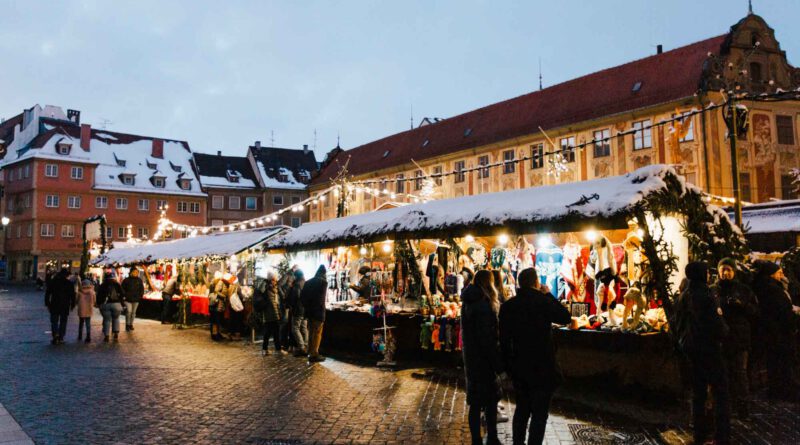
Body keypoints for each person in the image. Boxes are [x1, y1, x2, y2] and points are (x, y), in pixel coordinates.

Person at [499, 268, 571, 445]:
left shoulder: (508, 306)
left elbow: (504, 340)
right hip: (543, 367)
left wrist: (508, 367)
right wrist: (548, 295)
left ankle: (518, 443)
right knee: (539, 414)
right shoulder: (542, 301)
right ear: (535, 282)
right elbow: (565, 317)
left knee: (522, 410)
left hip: (519, 366)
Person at [681, 261, 730, 445]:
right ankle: (721, 435)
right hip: (710, 350)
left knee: (698, 393)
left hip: (692, 351)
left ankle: (699, 434)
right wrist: (725, 331)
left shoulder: (685, 295)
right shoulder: (707, 295)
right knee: (721, 393)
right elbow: (717, 325)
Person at [461, 269, 503, 445]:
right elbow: (487, 338)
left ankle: (476, 440)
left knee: (476, 402)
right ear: (489, 283)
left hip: (471, 357)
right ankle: (492, 437)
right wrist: (497, 363)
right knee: (490, 401)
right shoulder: (483, 305)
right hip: (484, 360)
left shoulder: (468, 301)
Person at [711, 258, 758, 417]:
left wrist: (741, 305)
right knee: (722, 374)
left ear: (734, 272)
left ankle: (743, 408)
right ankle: (724, 407)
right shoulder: (713, 290)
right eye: (723, 269)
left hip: (739, 338)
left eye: (729, 270)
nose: (725, 273)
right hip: (720, 339)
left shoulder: (743, 290)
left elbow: (755, 312)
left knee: (740, 373)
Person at [752, 260, 799, 402]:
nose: (782, 275)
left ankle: (777, 391)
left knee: (775, 363)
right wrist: (793, 319)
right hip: (779, 333)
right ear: (771, 274)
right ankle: (783, 391)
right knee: (783, 363)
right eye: (779, 273)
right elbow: (782, 311)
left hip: (771, 332)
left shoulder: (764, 287)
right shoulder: (772, 289)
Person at [301, 265, 328, 363]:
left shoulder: (308, 282)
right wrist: (319, 308)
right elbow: (321, 299)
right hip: (318, 312)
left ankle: (310, 351)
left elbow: (302, 297)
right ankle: (314, 354)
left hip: (309, 312)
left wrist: (308, 307)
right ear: (324, 273)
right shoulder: (323, 282)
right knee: (317, 333)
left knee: (311, 331)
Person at [44, 268, 76, 345]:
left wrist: (47, 303)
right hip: (65, 305)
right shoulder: (69, 283)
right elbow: (73, 295)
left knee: (54, 321)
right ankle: (61, 337)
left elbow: (48, 293)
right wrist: (72, 305)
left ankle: (55, 335)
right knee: (63, 321)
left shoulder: (54, 282)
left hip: (54, 304)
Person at [260, 270, 285, 355]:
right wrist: (277, 315)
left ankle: (265, 349)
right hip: (272, 315)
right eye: (274, 280)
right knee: (275, 332)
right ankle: (277, 350)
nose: (276, 281)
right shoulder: (269, 289)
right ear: (271, 280)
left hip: (269, 315)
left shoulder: (270, 288)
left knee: (269, 332)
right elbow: (272, 304)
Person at [96, 271, 125, 342]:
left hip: (105, 304)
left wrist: (98, 304)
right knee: (116, 318)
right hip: (116, 304)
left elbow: (98, 295)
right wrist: (122, 303)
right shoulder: (117, 284)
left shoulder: (102, 285)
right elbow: (123, 294)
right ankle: (116, 333)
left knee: (107, 320)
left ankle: (106, 336)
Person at [288, 269, 309, 356]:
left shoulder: (297, 285)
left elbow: (295, 297)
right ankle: (306, 346)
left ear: (296, 276)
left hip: (298, 309)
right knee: (304, 328)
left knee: (295, 328)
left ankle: (302, 347)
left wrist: (291, 305)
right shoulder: (306, 283)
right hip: (305, 309)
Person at [121, 267, 145, 332]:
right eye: (135, 272)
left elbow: (142, 289)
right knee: (129, 311)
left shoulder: (139, 280)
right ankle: (127, 325)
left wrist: (140, 295)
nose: (136, 273)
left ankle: (131, 324)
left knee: (133, 313)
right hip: (128, 299)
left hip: (136, 299)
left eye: (137, 272)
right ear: (131, 272)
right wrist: (125, 295)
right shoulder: (126, 280)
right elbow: (122, 289)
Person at [76, 279, 96, 343]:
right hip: (89, 309)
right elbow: (94, 301)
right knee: (88, 323)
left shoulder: (80, 292)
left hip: (81, 309)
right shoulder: (92, 292)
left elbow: (76, 300)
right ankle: (88, 336)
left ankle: (80, 335)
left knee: (81, 323)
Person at [208, 271, 225, 341]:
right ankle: (215, 335)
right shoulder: (217, 284)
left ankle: (215, 334)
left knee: (215, 320)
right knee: (216, 321)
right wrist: (223, 295)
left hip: (212, 304)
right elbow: (216, 293)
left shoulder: (213, 283)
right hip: (216, 304)